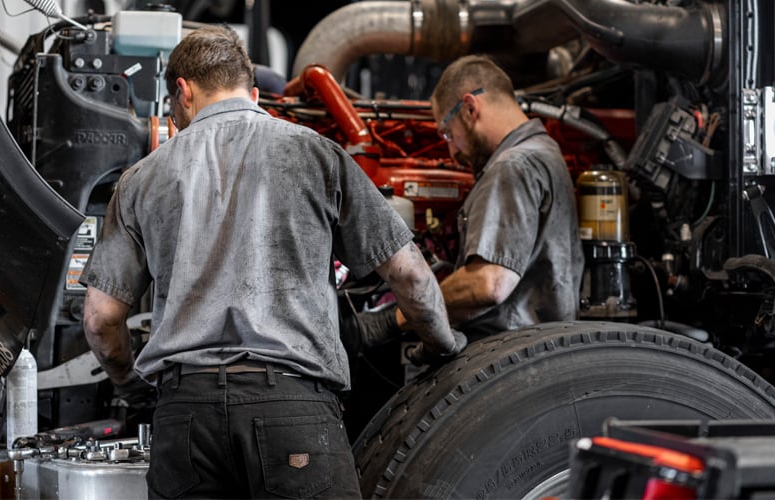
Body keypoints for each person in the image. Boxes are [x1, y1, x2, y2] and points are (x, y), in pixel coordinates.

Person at [80, 25, 463, 499]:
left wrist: (134, 389)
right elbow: (412, 277)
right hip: (293, 409)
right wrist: (444, 347)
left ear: (182, 91)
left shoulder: (139, 179)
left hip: (185, 416)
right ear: (254, 93)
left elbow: (100, 321)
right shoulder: (319, 154)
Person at [347, 55, 583, 347]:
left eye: (447, 133)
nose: (451, 152)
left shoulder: (513, 165)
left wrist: (393, 318)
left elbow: (488, 283)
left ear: (470, 108)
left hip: (505, 355)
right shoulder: (545, 151)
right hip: (536, 350)